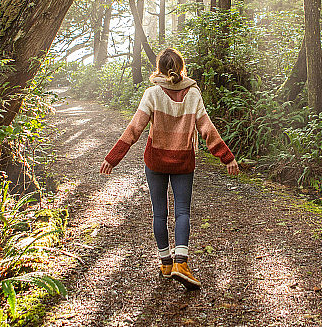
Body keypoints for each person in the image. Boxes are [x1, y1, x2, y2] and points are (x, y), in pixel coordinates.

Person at [100, 48, 239, 290]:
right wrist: (227, 158)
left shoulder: (152, 94)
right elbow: (207, 129)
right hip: (184, 162)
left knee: (159, 213)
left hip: (155, 162)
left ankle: (166, 263)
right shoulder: (194, 95)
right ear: (182, 68)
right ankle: (181, 263)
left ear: (159, 70)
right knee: (182, 211)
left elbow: (135, 129)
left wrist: (113, 158)